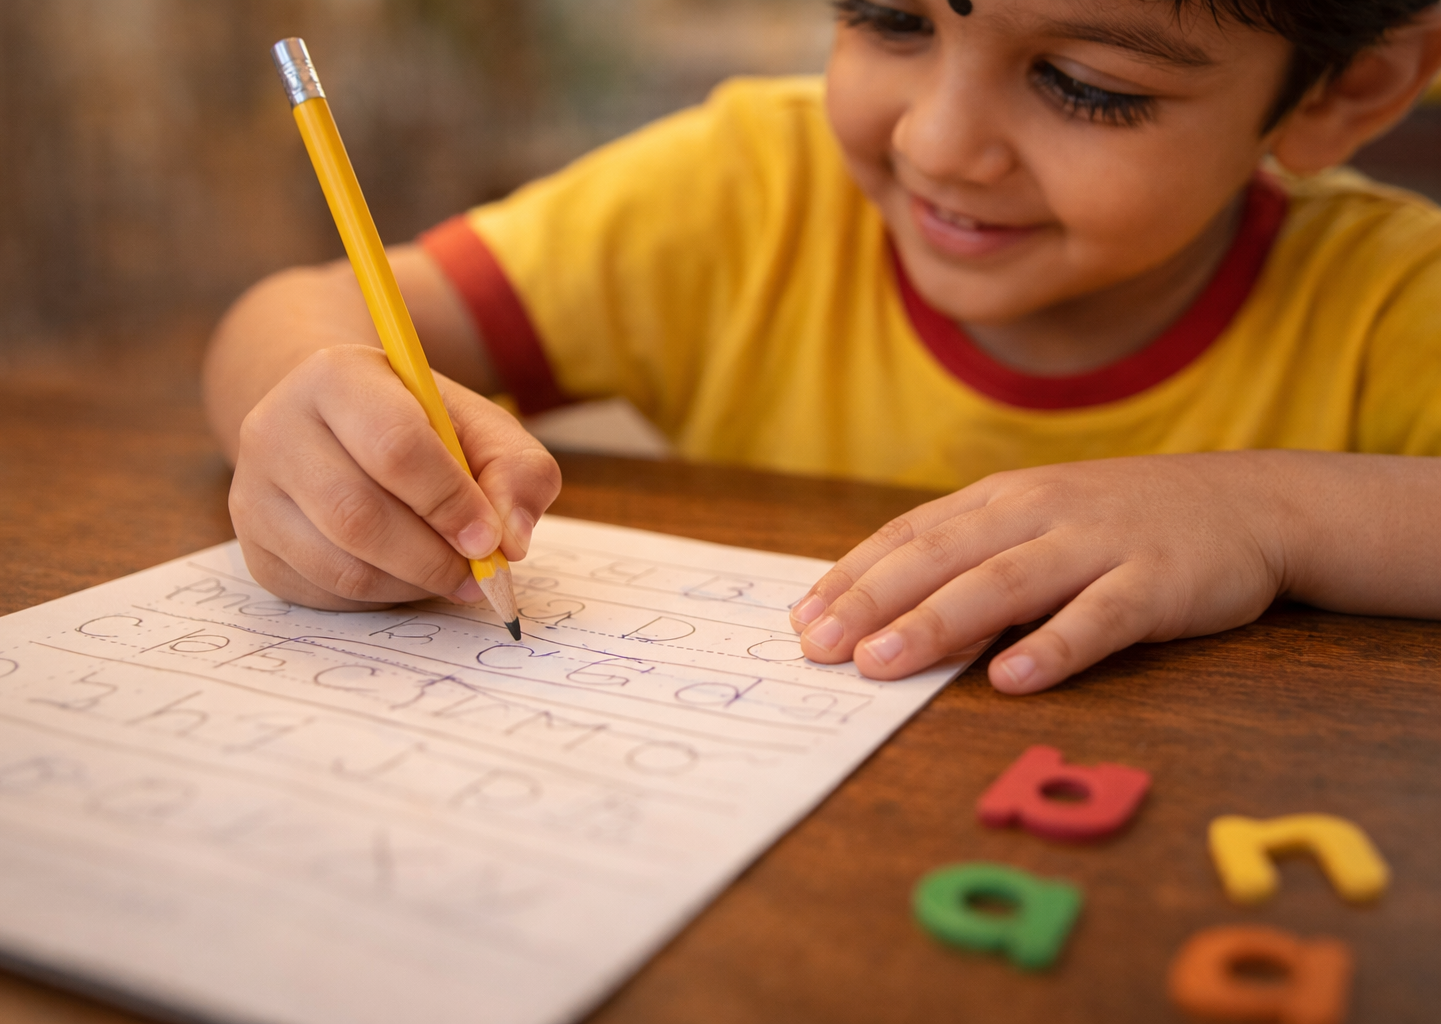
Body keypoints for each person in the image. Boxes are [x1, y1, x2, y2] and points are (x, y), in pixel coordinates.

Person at [204, 0, 1441, 696]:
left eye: (1085, 85)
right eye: (891, 19)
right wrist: (309, 415)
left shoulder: (1388, 299)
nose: (939, 143)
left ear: (1345, 95)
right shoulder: (740, 192)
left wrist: (1266, 511)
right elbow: (300, 306)